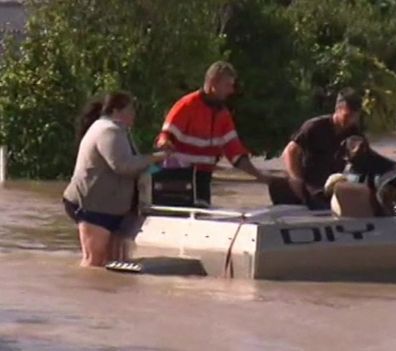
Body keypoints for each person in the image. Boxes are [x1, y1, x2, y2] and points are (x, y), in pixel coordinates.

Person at [63, 92, 168, 267]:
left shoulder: (115, 130)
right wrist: (155, 158)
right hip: (93, 205)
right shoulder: (109, 130)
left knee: (110, 264)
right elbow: (123, 165)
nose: (133, 114)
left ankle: (101, 294)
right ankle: (85, 292)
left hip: (107, 206)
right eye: (130, 109)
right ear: (116, 111)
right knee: (94, 262)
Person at [154, 61, 268, 206]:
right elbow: (165, 136)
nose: (231, 90)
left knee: (201, 221)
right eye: (227, 85)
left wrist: (263, 178)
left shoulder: (223, 115)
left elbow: (236, 154)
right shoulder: (187, 105)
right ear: (213, 83)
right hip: (178, 180)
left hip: (203, 180)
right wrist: (164, 144)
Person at [269, 87, 363, 209]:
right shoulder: (315, 127)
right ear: (338, 110)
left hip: (331, 186)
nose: (351, 120)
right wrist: (296, 179)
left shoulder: (355, 134)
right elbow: (290, 151)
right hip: (308, 184)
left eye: (355, 116)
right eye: (347, 115)